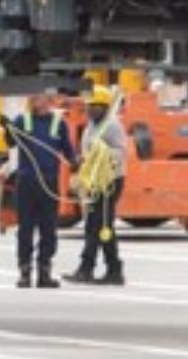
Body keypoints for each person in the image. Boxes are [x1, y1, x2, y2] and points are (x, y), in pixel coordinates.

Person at [1, 92, 75, 288]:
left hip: (49, 183)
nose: (33, 99)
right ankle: (25, 272)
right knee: (25, 229)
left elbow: (68, 150)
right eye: (32, 97)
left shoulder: (58, 123)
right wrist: (7, 128)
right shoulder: (22, 120)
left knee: (48, 229)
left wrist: (76, 163)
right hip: (27, 182)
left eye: (38, 96)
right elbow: (10, 143)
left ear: (48, 100)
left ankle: (44, 272)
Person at [70, 86, 127, 286]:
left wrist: (101, 154)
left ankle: (88, 268)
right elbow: (88, 152)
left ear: (104, 107)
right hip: (95, 181)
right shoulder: (91, 126)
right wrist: (82, 160)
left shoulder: (112, 126)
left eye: (95, 106)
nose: (90, 109)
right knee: (100, 225)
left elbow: (121, 152)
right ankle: (113, 269)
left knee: (97, 225)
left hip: (110, 181)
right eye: (88, 106)